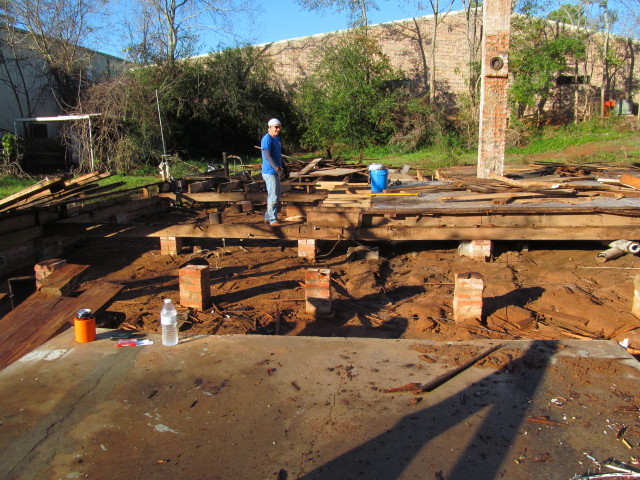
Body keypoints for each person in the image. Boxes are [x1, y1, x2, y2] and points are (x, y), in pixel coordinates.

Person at [261, 118, 283, 225]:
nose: (278, 129)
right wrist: (277, 168)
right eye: (276, 127)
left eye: (279, 127)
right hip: (269, 171)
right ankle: (272, 219)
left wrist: (284, 167)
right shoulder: (267, 139)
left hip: (275, 170)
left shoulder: (276, 138)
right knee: (273, 196)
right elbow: (268, 157)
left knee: (275, 195)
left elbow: (278, 155)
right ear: (270, 127)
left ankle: (267, 216)